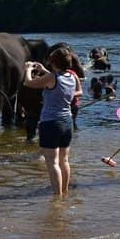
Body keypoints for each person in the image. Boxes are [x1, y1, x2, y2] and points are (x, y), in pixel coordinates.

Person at [23, 48, 78, 197]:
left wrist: (28, 69)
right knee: (64, 160)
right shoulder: (71, 77)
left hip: (51, 123)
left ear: (54, 62)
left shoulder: (51, 78)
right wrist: (43, 70)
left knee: (52, 162)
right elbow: (55, 79)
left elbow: (29, 83)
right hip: (67, 122)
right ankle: (64, 192)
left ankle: (57, 197)